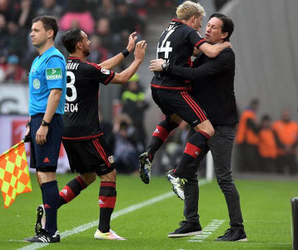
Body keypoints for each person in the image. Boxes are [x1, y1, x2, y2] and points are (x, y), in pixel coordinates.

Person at [34, 29, 146, 240]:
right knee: (109, 174)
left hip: (67, 131)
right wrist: (138, 60)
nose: (89, 41)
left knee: (88, 175)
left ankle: (49, 207)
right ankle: (103, 230)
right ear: (79, 45)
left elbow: (100, 68)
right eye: (86, 39)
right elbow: (121, 78)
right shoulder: (87, 69)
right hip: (87, 132)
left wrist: (126, 51)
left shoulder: (65, 65)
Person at [149, 13, 247, 241]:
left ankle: (238, 228)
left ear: (224, 35)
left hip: (221, 124)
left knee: (224, 177)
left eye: (214, 27)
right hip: (202, 123)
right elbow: (192, 67)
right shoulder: (205, 51)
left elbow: (196, 74)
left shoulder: (226, 54)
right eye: (208, 25)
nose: (208, 29)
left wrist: (167, 66)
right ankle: (191, 221)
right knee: (190, 173)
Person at [138, 0, 230, 199]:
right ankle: (177, 173)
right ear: (194, 18)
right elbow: (211, 51)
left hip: (157, 87)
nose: (201, 27)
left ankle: (150, 153)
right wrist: (224, 44)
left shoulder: (167, 31)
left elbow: (188, 50)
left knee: (174, 120)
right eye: (200, 22)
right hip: (174, 89)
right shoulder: (188, 31)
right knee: (207, 130)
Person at [23, 16, 66, 243]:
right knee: (42, 175)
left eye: (36, 30)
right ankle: (47, 229)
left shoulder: (54, 59)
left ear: (50, 33)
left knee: (48, 174)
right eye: (31, 29)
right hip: (39, 119)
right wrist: (32, 122)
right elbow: (39, 96)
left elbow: (55, 93)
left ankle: (52, 231)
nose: (32, 33)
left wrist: (45, 124)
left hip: (48, 120)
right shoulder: (38, 59)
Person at [235, 99, 260, 172]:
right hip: (246, 140)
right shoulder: (249, 114)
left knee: (244, 158)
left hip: (243, 139)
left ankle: (243, 173)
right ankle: (246, 174)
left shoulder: (247, 113)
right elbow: (253, 128)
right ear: (254, 105)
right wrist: (259, 127)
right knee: (248, 158)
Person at [272, 109, 298, 174]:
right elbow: (275, 138)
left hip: (291, 152)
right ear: (282, 116)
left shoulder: (295, 126)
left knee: (293, 171)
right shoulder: (276, 125)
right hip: (280, 152)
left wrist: (291, 147)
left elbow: (296, 139)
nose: (286, 117)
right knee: (280, 171)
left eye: (287, 115)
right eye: (284, 115)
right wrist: (284, 147)